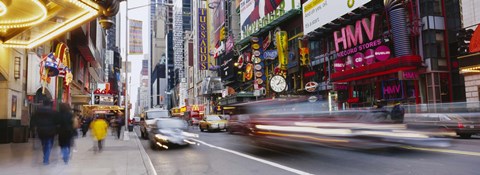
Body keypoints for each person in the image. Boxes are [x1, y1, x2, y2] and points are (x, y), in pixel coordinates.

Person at [31, 100, 59, 165]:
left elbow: (33, 120)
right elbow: (57, 122)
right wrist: (57, 131)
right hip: (51, 131)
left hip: (40, 130)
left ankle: (45, 156)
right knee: (48, 144)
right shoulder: (54, 112)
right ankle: (46, 159)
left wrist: (32, 129)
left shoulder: (37, 112)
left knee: (44, 144)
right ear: (50, 105)